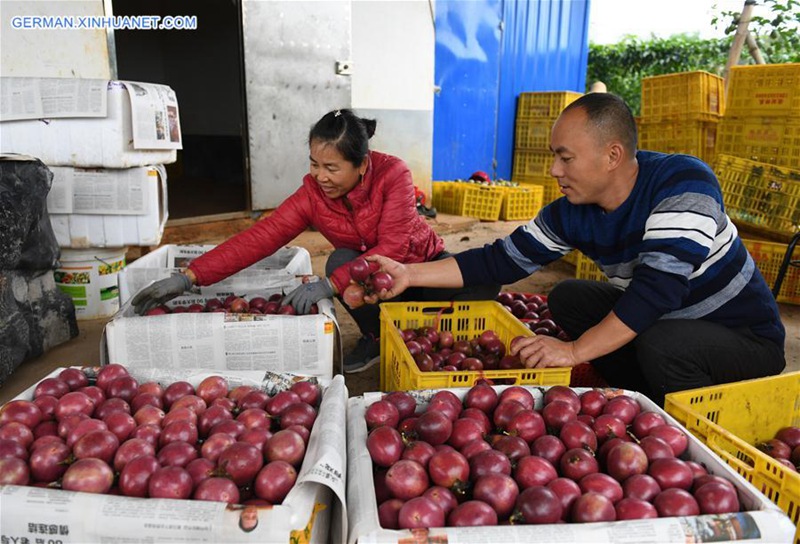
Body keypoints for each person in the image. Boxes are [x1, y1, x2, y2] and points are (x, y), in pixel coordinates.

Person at [367, 93, 786, 405]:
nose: (554, 171)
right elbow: (498, 259)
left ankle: (686, 418)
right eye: (554, 157)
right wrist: (409, 273)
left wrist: (573, 351)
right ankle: (640, 392)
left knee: (661, 341)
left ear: (612, 156)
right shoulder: (574, 210)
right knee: (570, 297)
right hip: (667, 324)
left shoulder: (681, 184)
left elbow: (658, 291)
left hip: (742, 341)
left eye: (565, 158)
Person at [131, 109, 500, 373]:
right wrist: (190, 276)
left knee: (483, 281)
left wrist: (329, 286)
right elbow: (260, 237)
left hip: (416, 269)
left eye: (332, 168)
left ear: (363, 165)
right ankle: (376, 336)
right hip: (370, 286)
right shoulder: (312, 195)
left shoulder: (394, 174)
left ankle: (418, 330)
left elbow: (393, 248)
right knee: (341, 258)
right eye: (314, 164)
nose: (320, 176)